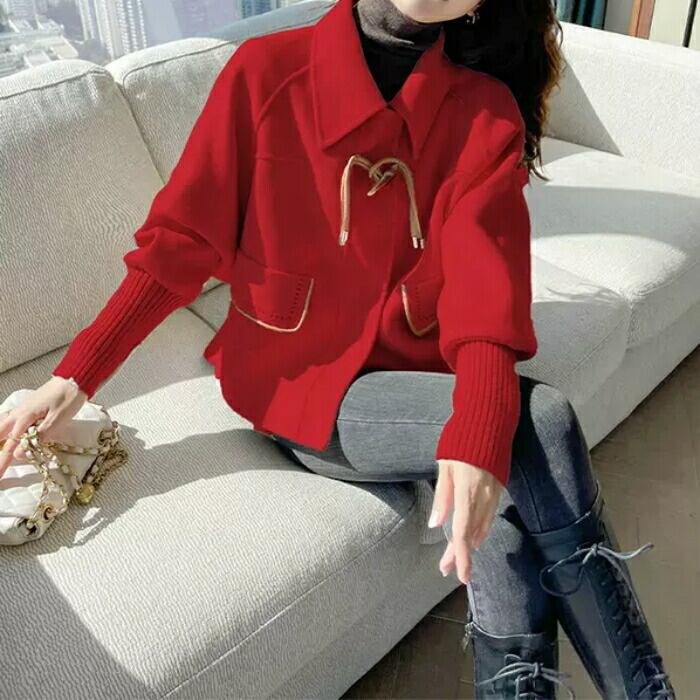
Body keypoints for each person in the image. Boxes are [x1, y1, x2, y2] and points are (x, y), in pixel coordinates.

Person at [0, 0, 675, 697]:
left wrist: (478, 432)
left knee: (501, 490)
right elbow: (182, 242)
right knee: (537, 423)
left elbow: (485, 292)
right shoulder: (266, 74)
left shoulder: (483, 112)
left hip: (415, 367)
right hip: (300, 385)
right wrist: (76, 375)